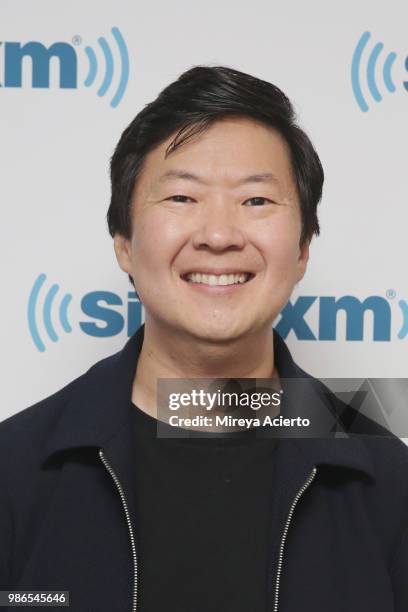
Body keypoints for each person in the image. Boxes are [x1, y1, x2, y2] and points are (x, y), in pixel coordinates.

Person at [1, 65, 407, 612]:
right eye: (182, 199)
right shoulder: (16, 469)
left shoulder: (384, 478)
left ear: (304, 248)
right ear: (123, 241)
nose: (218, 236)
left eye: (256, 201)